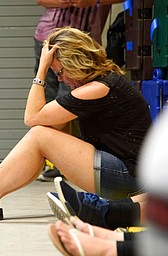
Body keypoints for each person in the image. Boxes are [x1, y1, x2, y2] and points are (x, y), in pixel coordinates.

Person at [0, 27, 151, 223]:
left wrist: (41, 69)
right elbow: (44, 123)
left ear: (74, 62)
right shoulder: (104, 82)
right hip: (128, 174)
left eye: (59, 72)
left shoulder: (97, 89)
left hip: (128, 177)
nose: (61, 80)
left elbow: (31, 117)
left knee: (39, 135)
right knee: (44, 134)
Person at [48, 109, 168, 256]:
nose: (61, 83)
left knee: (39, 136)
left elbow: (33, 117)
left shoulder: (101, 87)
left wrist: (39, 84)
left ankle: (112, 247)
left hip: (135, 174)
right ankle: (114, 229)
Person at [34, 0, 124, 181]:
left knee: (63, 104)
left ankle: (59, 159)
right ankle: (52, 161)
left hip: (82, 45)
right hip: (48, 37)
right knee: (48, 99)